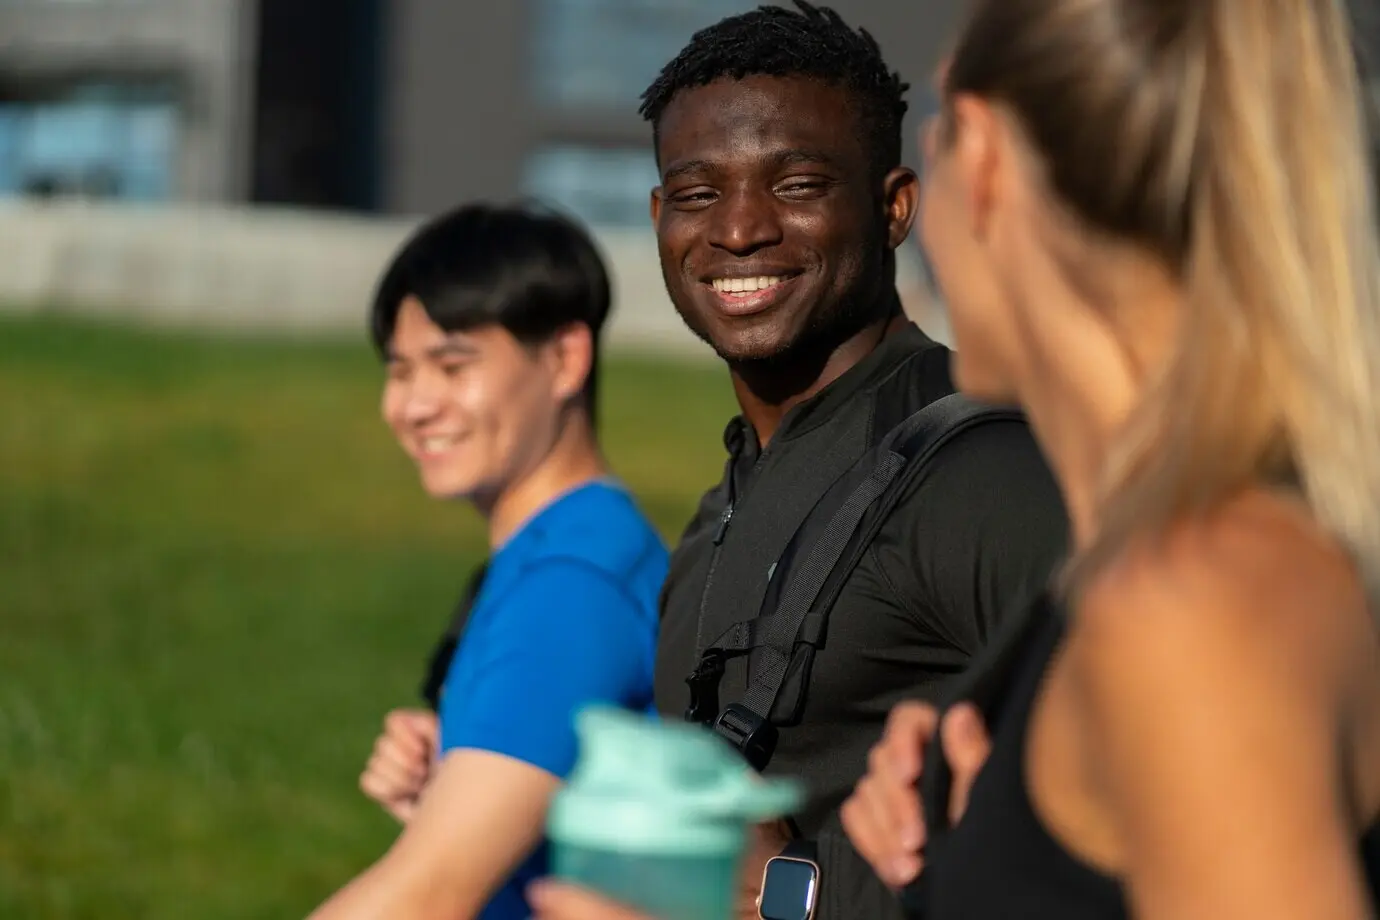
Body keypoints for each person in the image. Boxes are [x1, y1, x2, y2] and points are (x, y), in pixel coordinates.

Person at [841, 0, 1380, 916]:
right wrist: (1008, 843)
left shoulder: (1191, 604)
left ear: (983, 160)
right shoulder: (1179, 568)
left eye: (931, 137)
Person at [641, 2, 1068, 917]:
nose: (741, 230)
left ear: (894, 207)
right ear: (658, 218)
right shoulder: (717, 512)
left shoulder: (985, 473)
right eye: (698, 193)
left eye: (795, 185)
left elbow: (1165, 812)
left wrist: (805, 890)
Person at [308, 203, 668, 920]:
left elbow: (427, 896)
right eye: (400, 370)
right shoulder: (577, 548)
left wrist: (443, 844)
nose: (413, 405)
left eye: (452, 365)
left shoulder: (570, 586)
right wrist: (456, 792)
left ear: (565, 359)